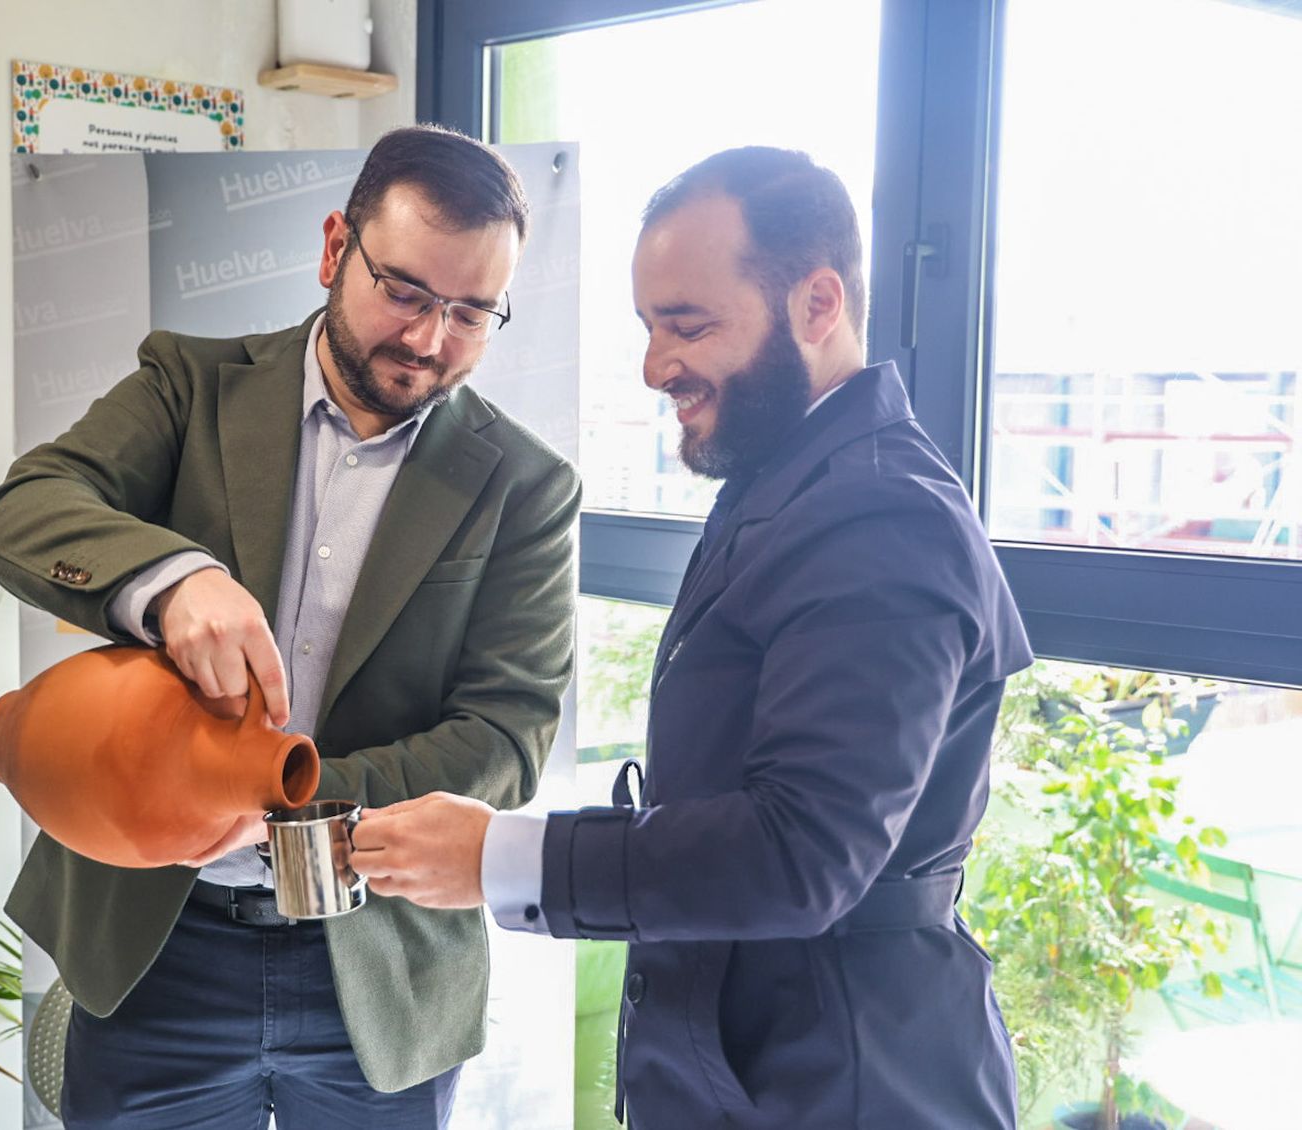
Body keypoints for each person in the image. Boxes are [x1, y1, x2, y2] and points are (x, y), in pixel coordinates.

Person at [351, 146, 1033, 1128]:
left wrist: (502, 854)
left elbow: (800, 852)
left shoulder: (882, 515)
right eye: (646, 325)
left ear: (816, 302)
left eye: (689, 324)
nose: (654, 363)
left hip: (846, 1081)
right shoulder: (789, 473)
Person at [0, 125, 578, 1129]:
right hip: (159, 953)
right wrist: (171, 579)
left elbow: (506, 740)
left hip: (382, 978)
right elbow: (21, 510)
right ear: (336, 245)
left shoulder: (526, 486)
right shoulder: (191, 384)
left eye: (473, 312)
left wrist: (277, 801)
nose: (431, 340)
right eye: (407, 292)